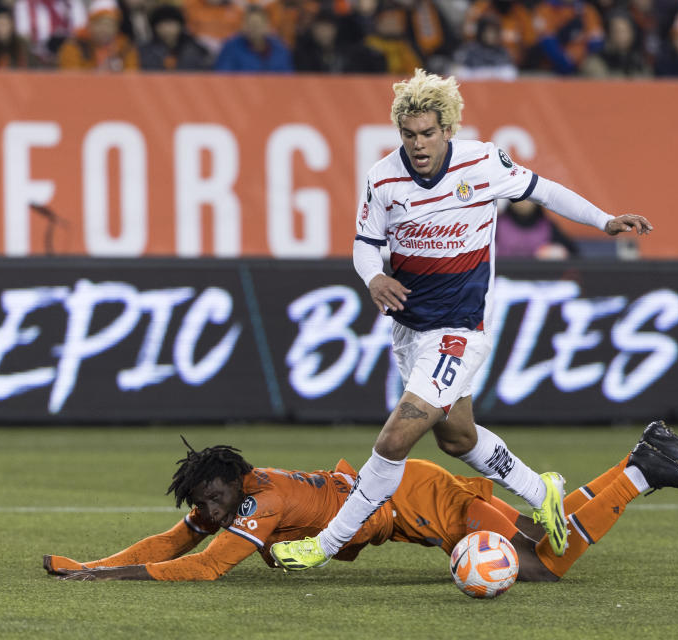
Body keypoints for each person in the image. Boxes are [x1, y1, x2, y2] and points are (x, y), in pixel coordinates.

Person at [269, 68, 654, 572]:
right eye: (408, 135)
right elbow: (365, 247)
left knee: (395, 439)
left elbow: (543, 190)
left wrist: (604, 220)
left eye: (427, 133)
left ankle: (326, 545)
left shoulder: (483, 161)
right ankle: (542, 490)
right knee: (457, 437)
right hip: (411, 329)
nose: (418, 144)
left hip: (460, 330)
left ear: (447, 129)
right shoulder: (383, 178)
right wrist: (372, 279)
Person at [44, 422, 678, 582]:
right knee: (544, 535)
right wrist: (89, 568)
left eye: (215, 502)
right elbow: (175, 543)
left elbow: (203, 566)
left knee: (543, 561)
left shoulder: (261, 500)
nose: (210, 515)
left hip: (417, 500)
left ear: (238, 484)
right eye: (204, 506)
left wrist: (103, 576)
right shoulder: (230, 496)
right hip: (397, 505)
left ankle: (640, 473)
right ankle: (644, 459)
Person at [57, 0, 139, 71]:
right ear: (90, 25)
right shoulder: (74, 46)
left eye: (109, 25)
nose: (104, 29)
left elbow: (132, 78)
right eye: (100, 24)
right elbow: (70, 79)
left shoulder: (124, 48)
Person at [213, 4, 293, 73]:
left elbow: (288, 79)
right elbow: (222, 79)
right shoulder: (230, 48)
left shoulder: (280, 50)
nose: (254, 28)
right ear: (243, 25)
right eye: (250, 24)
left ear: (267, 25)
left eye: (257, 24)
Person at [495, 199, 580, 259]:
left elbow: (573, 253)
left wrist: (557, 251)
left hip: (540, 280)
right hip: (503, 280)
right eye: (518, 198)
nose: (523, 202)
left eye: (528, 198)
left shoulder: (547, 225)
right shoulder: (497, 223)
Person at [138, 4, 212, 71]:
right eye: (162, 25)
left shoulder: (196, 50)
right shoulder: (144, 51)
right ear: (155, 27)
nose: (167, 29)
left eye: (170, 24)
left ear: (180, 25)